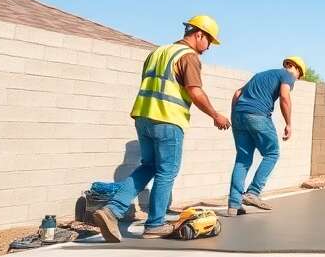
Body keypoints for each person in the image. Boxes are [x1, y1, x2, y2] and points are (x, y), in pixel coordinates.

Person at [91, 16, 231, 241]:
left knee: (148, 166)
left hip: (143, 117)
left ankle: (112, 210)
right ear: (199, 35)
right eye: (209, 42)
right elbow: (194, 91)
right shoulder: (188, 56)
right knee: (167, 171)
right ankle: (155, 224)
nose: (208, 48)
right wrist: (216, 115)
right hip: (168, 118)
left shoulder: (158, 52)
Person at [226, 56, 306, 215]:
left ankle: (234, 205)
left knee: (243, 158)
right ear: (295, 68)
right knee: (272, 153)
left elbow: (237, 94)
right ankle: (253, 192)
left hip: (239, 115)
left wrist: (235, 117)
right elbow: (284, 96)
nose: (296, 79)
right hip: (258, 115)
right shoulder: (287, 75)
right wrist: (288, 123)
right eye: (299, 75)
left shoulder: (261, 74)